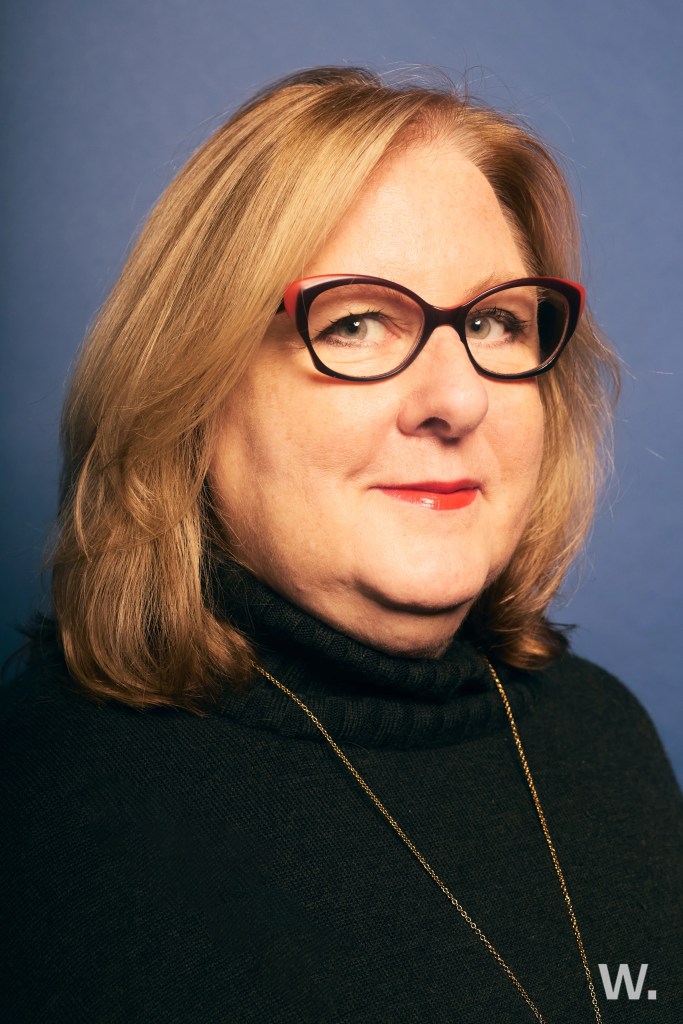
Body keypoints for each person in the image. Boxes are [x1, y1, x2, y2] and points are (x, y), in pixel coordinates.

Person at [1, 66, 681, 1024]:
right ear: (193, 387)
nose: (456, 399)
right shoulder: (51, 819)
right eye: (357, 323)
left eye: (495, 322)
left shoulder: (603, 737)